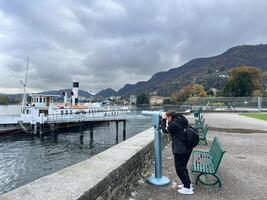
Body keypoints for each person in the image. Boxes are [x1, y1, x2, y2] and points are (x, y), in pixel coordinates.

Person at [161, 110, 193, 195]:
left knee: (180, 169)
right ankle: (187, 184)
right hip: (188, 148)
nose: (167, 120)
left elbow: (164, 130)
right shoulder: (182, 119)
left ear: (170, 117)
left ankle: (188, 188)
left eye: (167, 118)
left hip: (181, 150)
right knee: (183, 167)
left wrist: (163, 120)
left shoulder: (173, 124)